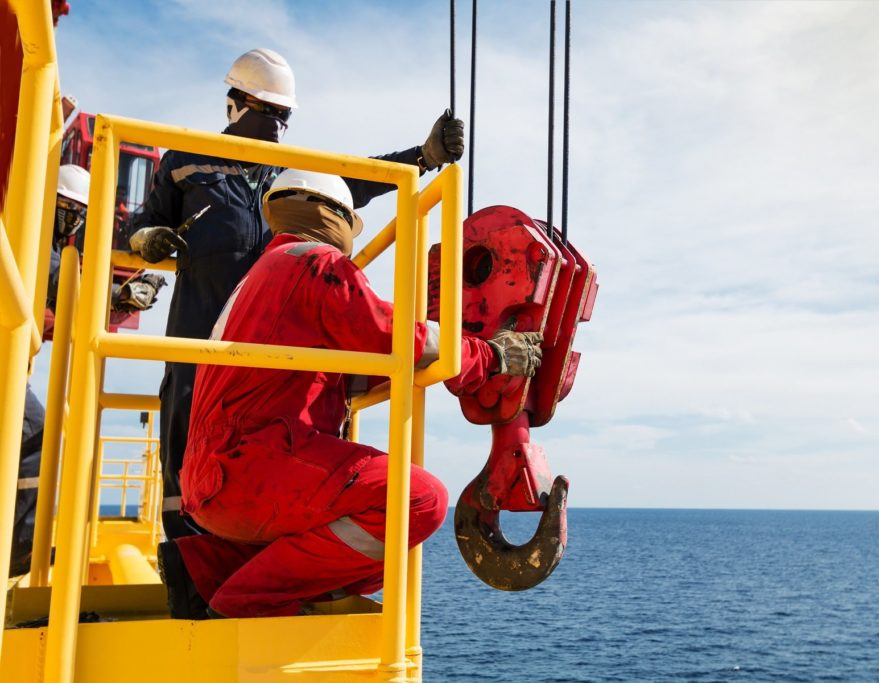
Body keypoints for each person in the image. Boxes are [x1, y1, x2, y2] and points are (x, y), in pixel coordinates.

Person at [156, 170, 542, 619]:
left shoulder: (262, 277)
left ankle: (206, 568)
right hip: (254, 466)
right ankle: (245, 599)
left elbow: (346, 368)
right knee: (416, 502)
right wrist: (488, 356)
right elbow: (389, 334)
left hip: (213, 481)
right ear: (335, 218)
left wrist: (428, 366)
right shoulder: (315, 263)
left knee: (376, 553)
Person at [128, 48, 466, 540]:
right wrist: (147, 240)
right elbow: (141, 223)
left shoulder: (288, 169)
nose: (277, 125)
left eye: (283, 115)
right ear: (235, 104)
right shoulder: (185, 160)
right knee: (184, 446)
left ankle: (264, 557)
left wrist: (423, 157)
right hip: (198, 337)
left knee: (290, 442)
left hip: (274, 347)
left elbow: (357, 178)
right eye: (269, 111)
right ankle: (187, 566)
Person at [11, 164, 165, 576]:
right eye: (66, 207)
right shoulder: (33, 236)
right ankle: (20, 553)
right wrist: (124, 295)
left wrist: (120, 296)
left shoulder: (42, 238)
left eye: (78, 211)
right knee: (35, 436)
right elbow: (66, 290)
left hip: (13, 364)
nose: (72, 218)